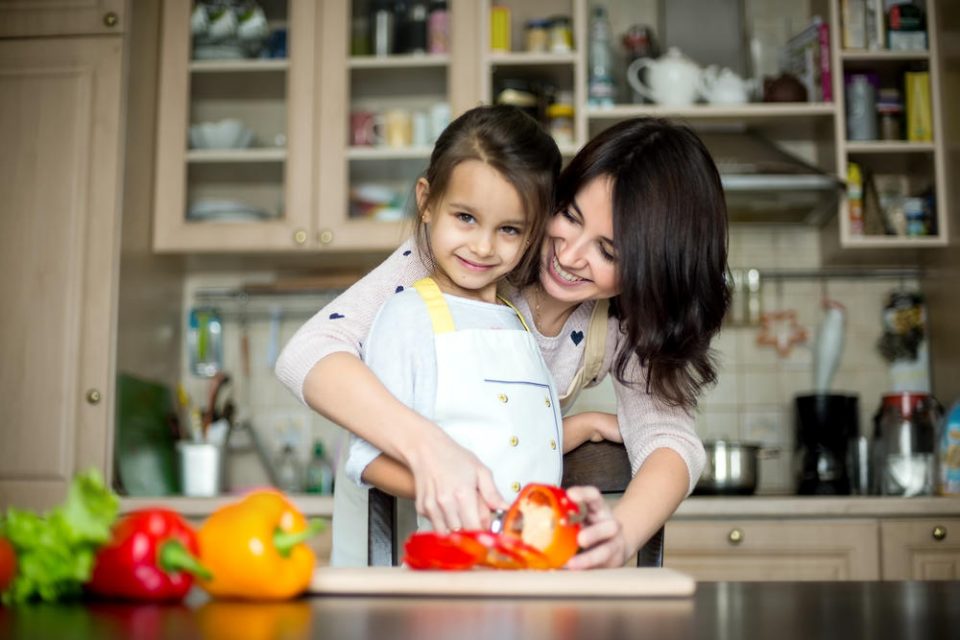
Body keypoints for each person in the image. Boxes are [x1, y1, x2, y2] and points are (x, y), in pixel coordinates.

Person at [276, 116, 730, 568]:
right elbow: (309, 351)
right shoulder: (464, 258)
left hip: (497, 537)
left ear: (653, 271)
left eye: (607, 252)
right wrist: (433, 451)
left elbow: (670, 440)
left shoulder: (620, 324)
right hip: (393, 522)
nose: (569, 256)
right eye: (568, 215)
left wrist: (620, 534)